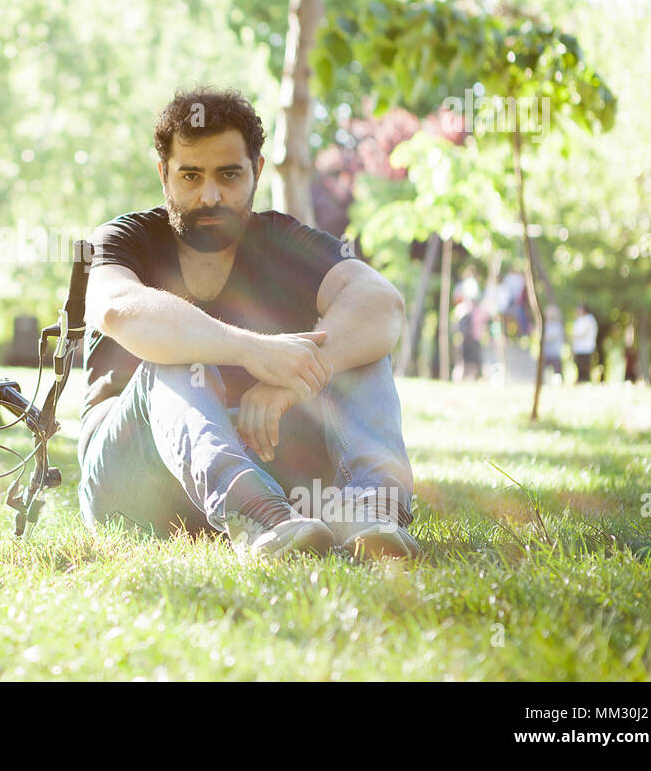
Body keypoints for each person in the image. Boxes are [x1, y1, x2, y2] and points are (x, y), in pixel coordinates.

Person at [78, 87, 417, 563]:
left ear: (257, 172)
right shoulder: (122, 239)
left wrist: (294, 382)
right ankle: (259, 517)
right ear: (164, 175)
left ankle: (375, 513)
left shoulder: (283, 240)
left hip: (267, 455)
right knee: (172, 360)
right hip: (131, 483)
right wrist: (253, 351)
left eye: (229, 175)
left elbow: (381, 305)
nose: (209, 195)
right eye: (190, 176)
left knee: (358, 347)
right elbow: (117, 308)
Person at [571, 304, 598, 384]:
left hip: (586, 347)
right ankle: (580, 379)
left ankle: (586, 380)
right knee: (579, 365)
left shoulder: (589, 319)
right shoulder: (578, 320)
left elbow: (582, 333)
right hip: (578, 347)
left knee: (585, 365)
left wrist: (575, 335)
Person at [541, 303, 565, 381]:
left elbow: (549, 337)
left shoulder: (557, 326)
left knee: (557, 371)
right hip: (547, 352)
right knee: (543, 370)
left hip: (554, 352)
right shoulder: (546, 325)